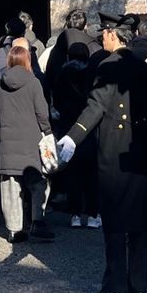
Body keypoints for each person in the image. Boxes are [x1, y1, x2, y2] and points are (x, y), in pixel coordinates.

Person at [57, 19, 147, 293]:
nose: (102, 39)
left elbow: (96, 106)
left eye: (104, 34)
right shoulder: (142, 66)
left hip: (114, 150)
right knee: (138, 224)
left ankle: (113, 287)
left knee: (114, 222)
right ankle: (138, 288)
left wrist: (73, 137)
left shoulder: (108, 65)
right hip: (140, 153)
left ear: (113, 35)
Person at [0, 44, 52, 244]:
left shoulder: (0, 84)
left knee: (10, 185)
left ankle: (14, 230)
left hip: (8, 143)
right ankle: (37, 220)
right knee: (38, 182)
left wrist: (0, 126)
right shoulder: (34, 82)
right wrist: (46, 130)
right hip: (31, 141)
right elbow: (42, 113)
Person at [52, 43, 101, 228]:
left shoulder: (62, 74)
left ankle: (74, 214)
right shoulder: (91, 74)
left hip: (67, 124)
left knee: (72, 172)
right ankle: (93, 213)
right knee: (91, 172)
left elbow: (56, 98)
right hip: (88, 126)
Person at [44, 7, 101, 93]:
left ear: (67, 25)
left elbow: (49, 75)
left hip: (60, 101)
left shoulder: (56, 49)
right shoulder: (96, 49)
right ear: (86, 26)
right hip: (88, 101)